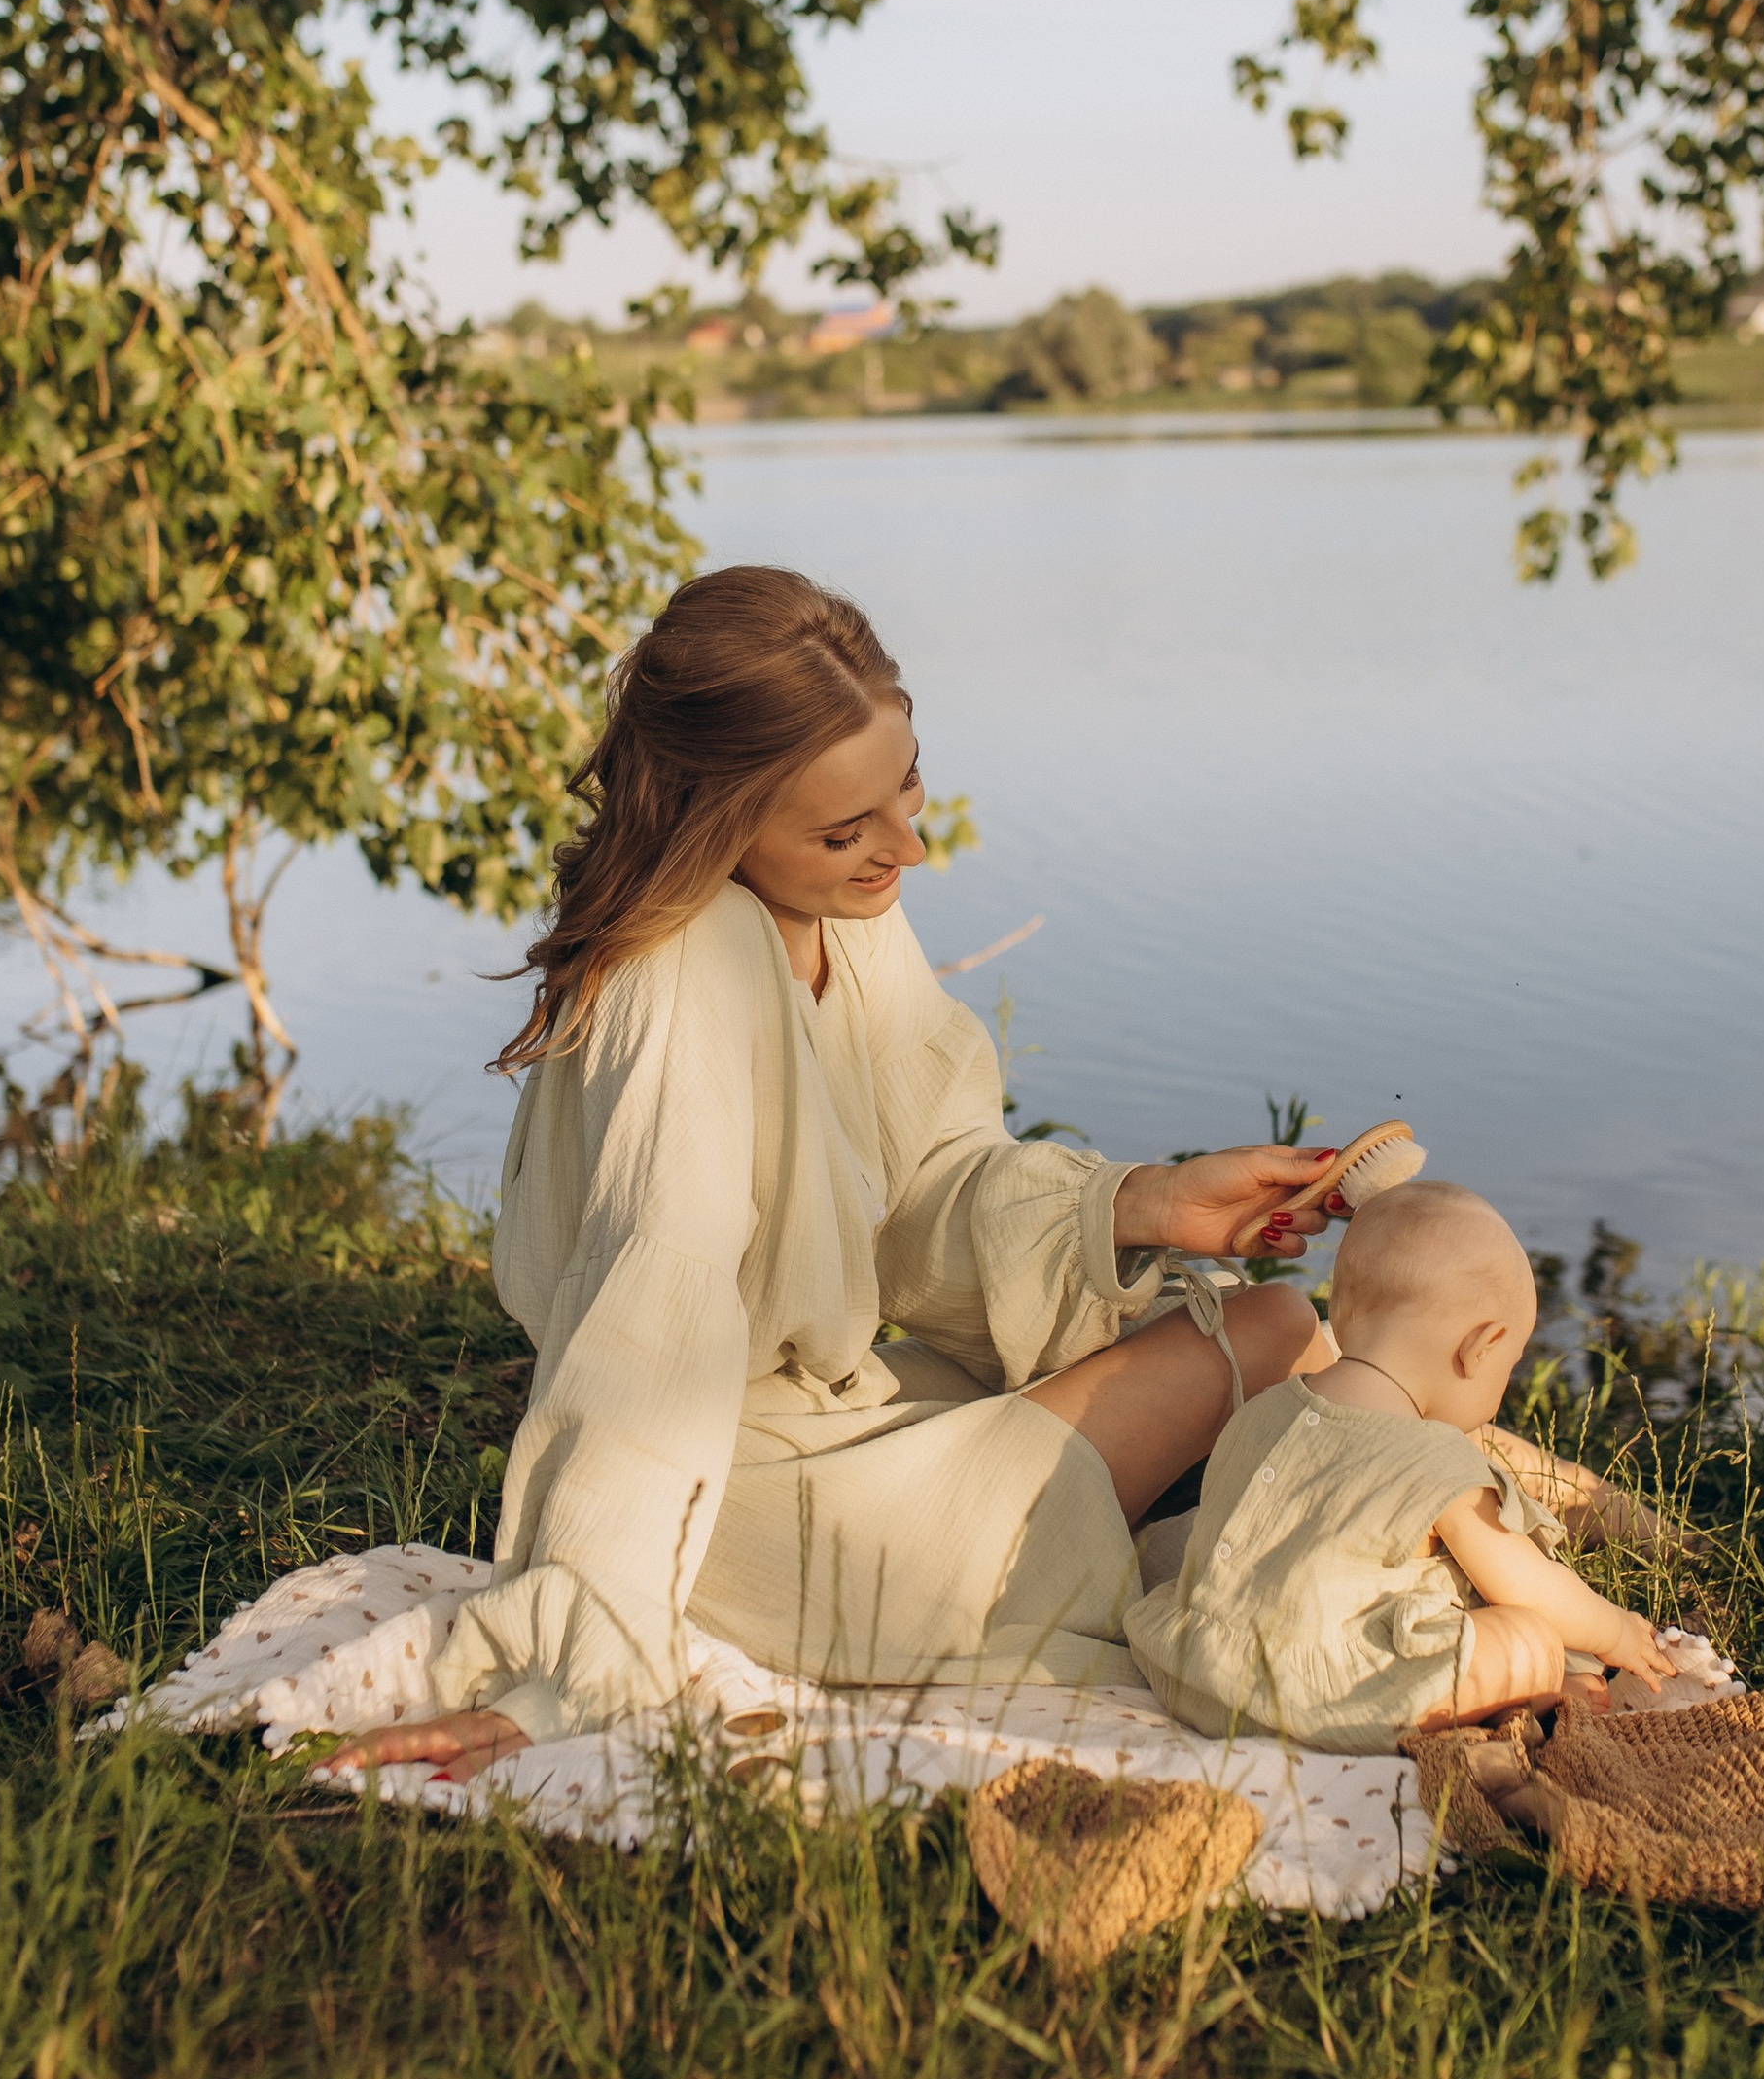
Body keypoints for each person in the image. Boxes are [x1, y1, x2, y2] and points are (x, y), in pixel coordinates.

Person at [326, 567, 1341, 1781]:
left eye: (904, 784)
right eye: (843, 830)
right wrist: (585, 1633)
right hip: (746, 1512)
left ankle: (1398, 1516)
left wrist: (1140, 1202)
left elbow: (926, 1191)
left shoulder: (845, 914)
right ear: (718, 819)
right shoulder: (681, 974)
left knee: (1227, 1341)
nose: (905, 845)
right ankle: (1399, 1532)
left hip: (837, 1415)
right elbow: (662, 1302)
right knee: (1280, 1333)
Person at [1125, 1179, 1678, 1746]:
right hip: (1314, 1701)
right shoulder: (1435, 1457)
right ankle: (1537, 1694)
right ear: (1478, 1348)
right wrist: (1616, 1632)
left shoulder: (1264, 1411)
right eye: (1507, 1366)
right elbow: (1527, 1584)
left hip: (1195, 1671)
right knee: (1529, 1638)